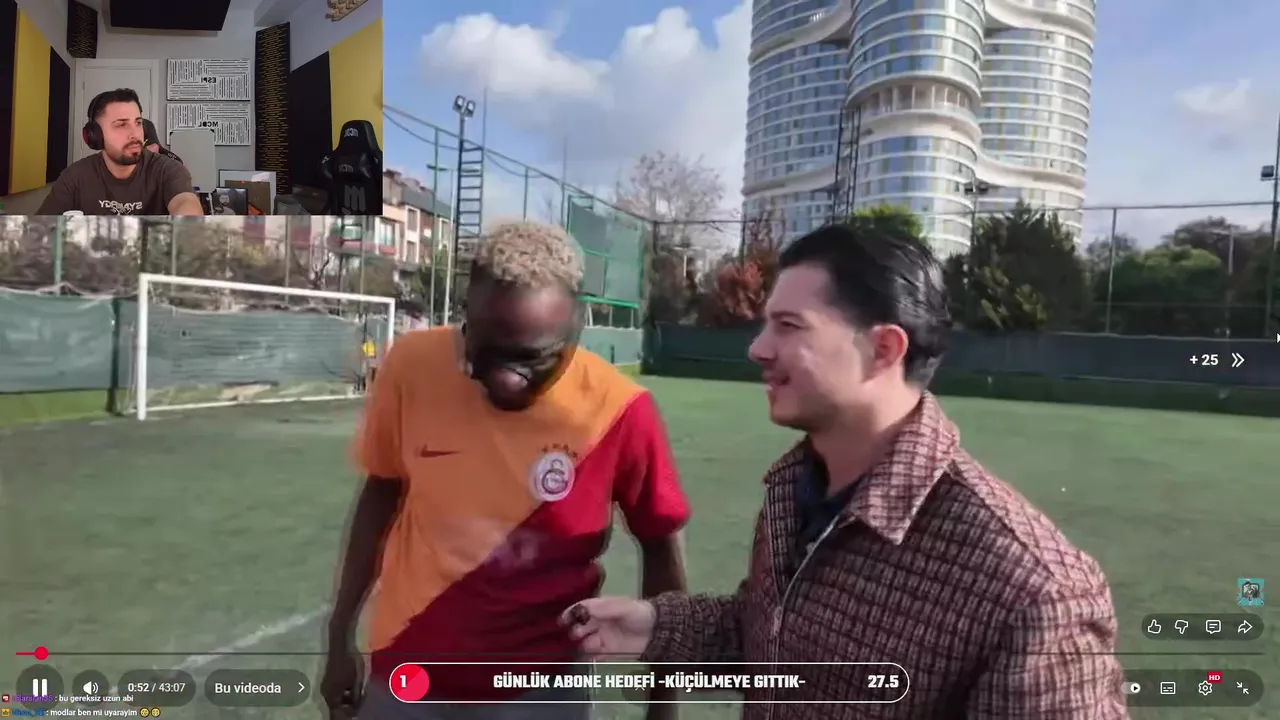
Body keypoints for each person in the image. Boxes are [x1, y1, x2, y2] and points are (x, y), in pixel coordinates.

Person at [566, 223, 1128, 718]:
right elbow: (776, 634)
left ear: (883, 349)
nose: (758, 349)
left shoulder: (1034, 588)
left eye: (789, 326)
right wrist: (656, 625)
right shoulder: (796, 487)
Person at [322, 220, 690, 720]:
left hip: (539, 688)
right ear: (466, 315)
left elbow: (661, 548)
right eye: (483, 353)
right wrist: (339, 635)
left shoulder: (621, 411)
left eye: (532, 359)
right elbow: (379, 495)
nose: (506, 380)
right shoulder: (411, 365)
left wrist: (663, 706)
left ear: (575, 326)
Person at [37, 88, 203, 216]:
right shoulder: (75, 176)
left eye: (138, 123)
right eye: (121, 125)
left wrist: (187, 223)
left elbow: (185, 202)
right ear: (95, 135)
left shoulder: (167, 169)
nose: (135, 134)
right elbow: (39, 230)